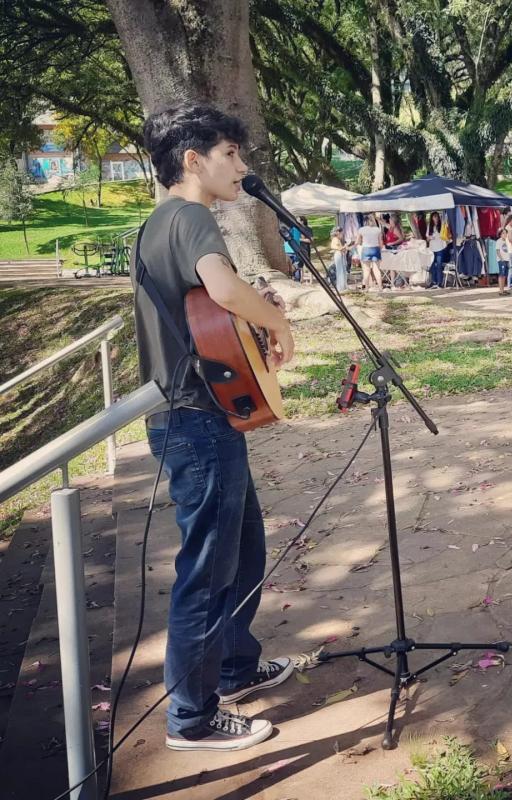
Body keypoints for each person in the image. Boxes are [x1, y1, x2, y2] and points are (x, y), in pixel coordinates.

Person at [132, 103, 296, 752]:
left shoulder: (159, 224)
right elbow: (222, 290)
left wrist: (256, 312)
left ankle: (235, 667)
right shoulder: (190, 215)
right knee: (207, 569)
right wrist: (278, 323)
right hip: (197, 423)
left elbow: (207, 311)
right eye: (231, 153)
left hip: (197, 420)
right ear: (193, 160)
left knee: (244, 550)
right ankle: (192, 718)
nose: (241, 165)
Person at [356, 215, 384, 290]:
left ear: (364, 221)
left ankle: (367, 288)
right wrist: (380, 248)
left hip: (366, 249)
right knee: (376, 269)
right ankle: (380, 287)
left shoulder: (361, 230)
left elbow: (358, 242)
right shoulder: (377, 229)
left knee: (366, 270)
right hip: (375, 249)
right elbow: (381, 243)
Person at [427, 211, 448, 288]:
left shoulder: (441, 225)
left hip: (440, 248)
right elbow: (427, 238)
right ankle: (433, 281)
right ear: (432, 218)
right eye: (434, 217)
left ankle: (439, 282)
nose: (436, 218)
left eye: (437, 217)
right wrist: (430, 238)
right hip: (432, 248)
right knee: (432, 265)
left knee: (439, 264)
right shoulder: (429, 226)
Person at [330, 225, 348, 292]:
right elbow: (333, 246)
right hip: (338, 255)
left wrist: (344, 248)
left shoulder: (338, 239)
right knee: (340, 270)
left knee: (342, 270)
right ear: (338, 232)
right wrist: (342, 247)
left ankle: (343, 285)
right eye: (341, 233)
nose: (342, 235)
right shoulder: (335, 239)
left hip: (340, 254)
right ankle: (340, 286)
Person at [496, 228, 510, 295]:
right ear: (500, 234)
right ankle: (500, 291)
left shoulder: (507, 241)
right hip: (502, 260)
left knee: (504, 275)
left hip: (507, 260)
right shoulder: (498, 241)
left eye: (506, 233)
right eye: (503, 233)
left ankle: (503, 289)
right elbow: (498, 251)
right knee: (501, 275)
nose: (505, 234)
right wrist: (502, 259)